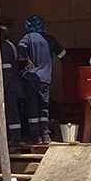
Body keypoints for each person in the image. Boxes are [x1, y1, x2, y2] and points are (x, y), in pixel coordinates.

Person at [17, 15, 67, 144]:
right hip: (44, 79)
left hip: (29, 79)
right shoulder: (50, 39)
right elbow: (63, 56)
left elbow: (20, 50)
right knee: (43, 107)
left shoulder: (27, 38)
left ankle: (36, 137)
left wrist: (26, 61)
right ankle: (46, 135)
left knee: (32, 107)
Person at [0, 22, 23, 152]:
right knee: (12, 113)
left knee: (12, 113)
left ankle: (14, 142)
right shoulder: (11, 46)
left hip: (9, 86)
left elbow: (6, 69)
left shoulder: (4, 47)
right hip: (13, 85)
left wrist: (1, 87)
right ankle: (14, 140)